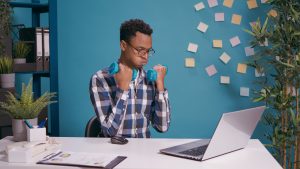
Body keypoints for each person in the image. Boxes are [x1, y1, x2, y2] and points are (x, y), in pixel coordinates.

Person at [89, 19, 171, 138]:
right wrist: (123, 89)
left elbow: (162, 127)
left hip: (144, 151)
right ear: (123, 45)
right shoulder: (100, 79)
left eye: (148, 51)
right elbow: (109, 132)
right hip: (115, 151)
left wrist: (160, 87)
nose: (146, 56)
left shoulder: (150, 80)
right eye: (140, 50)